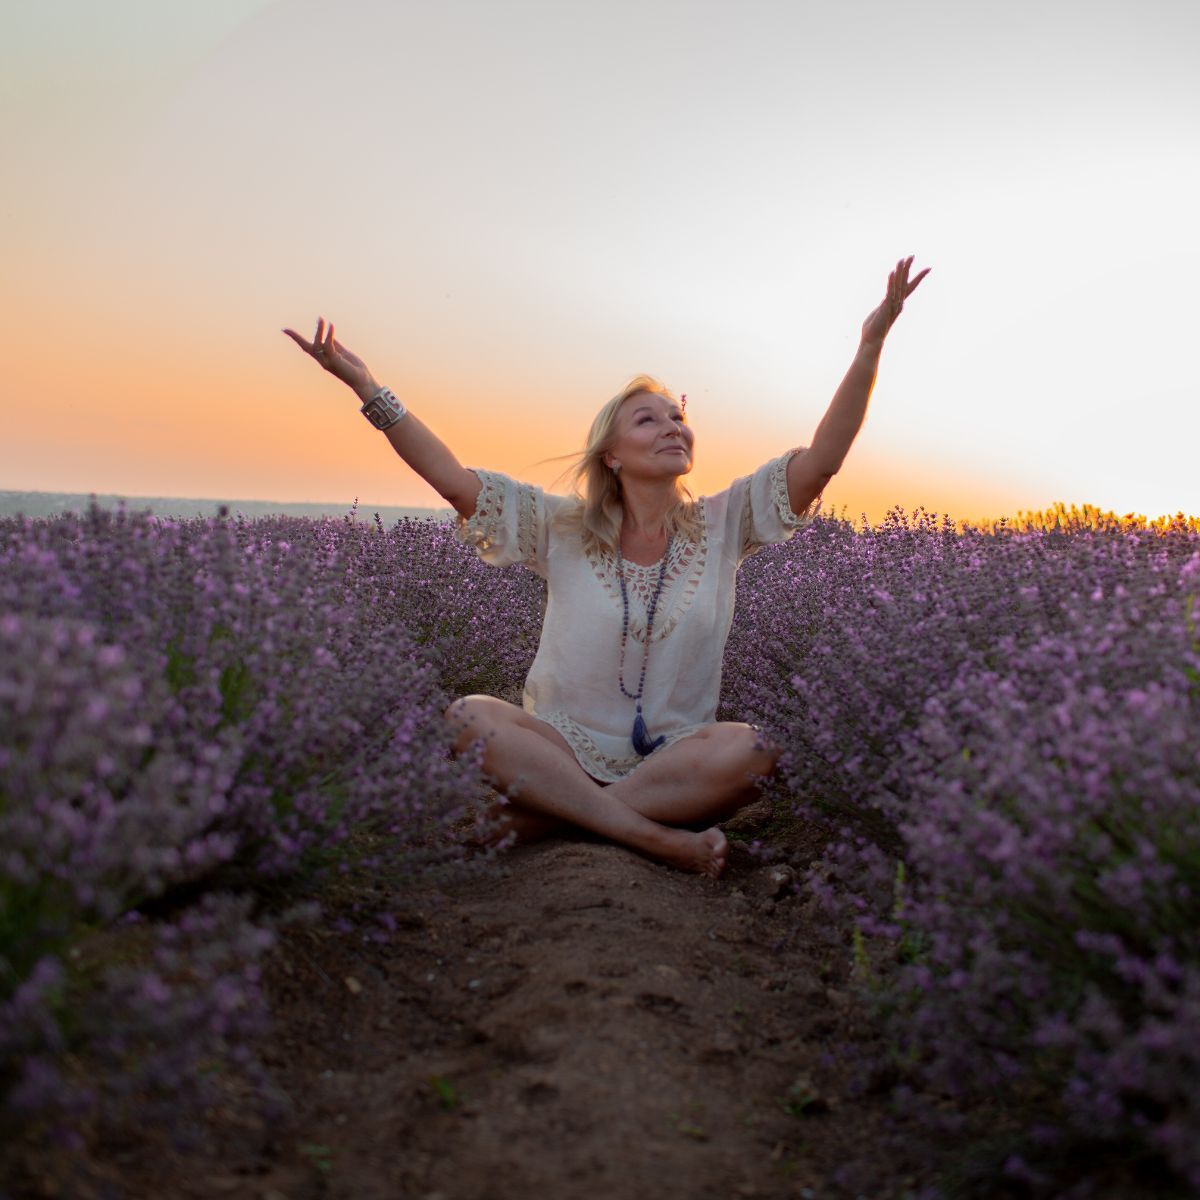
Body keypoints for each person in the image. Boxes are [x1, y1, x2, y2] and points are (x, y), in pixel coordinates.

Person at [284, 256, 929, 879]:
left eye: (678, 416)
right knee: (468, 716)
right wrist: (370, 390)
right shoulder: (560, 526)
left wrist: (870, 343)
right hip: (559, 750)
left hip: (674, 759)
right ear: (612, 455)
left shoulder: (725, 521)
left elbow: (822, 460)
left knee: (758, 750)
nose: (674, 426)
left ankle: (540, 822)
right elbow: (452, 480)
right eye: (647, 420)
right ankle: (649, 836)